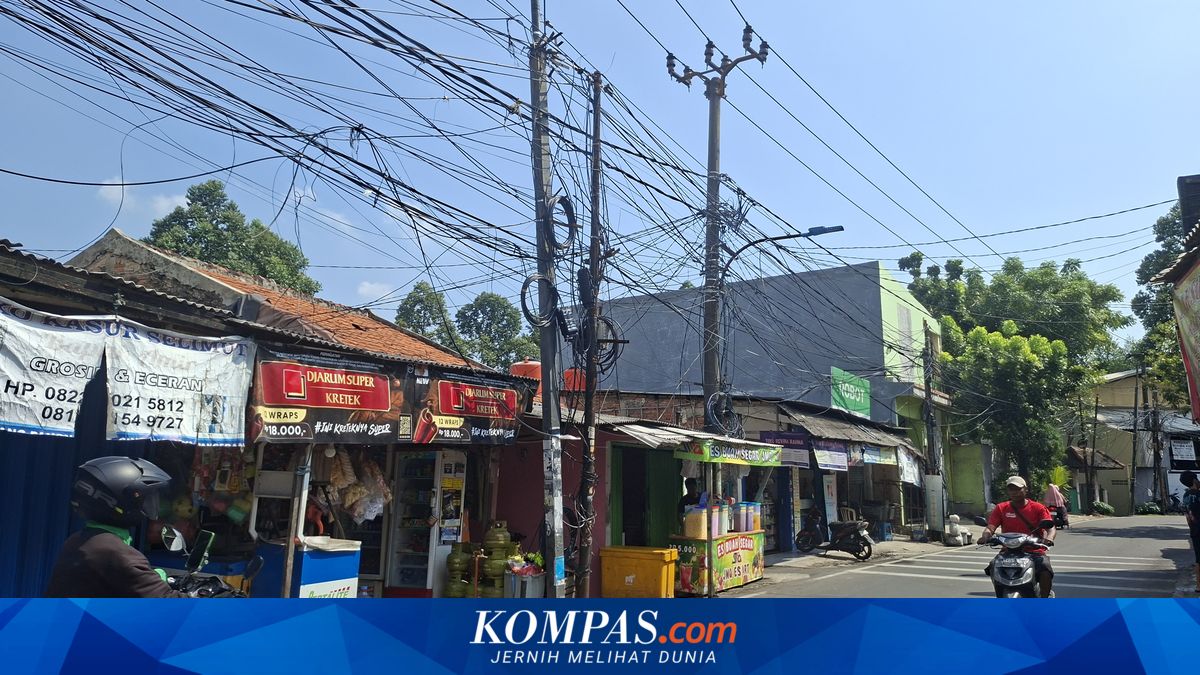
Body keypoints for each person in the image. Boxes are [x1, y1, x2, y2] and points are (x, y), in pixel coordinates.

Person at [46, 456, 187, 598]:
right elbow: (170, 602)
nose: (150, 504)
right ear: (120, 501)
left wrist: (154, 575)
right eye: (146, 498)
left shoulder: (79, 540)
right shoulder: (117, 554)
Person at [979, 475, 1057, 598]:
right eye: (1011, 489)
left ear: (1026, 490)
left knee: (1045, 570)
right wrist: (985, 536)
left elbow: (1051, 528)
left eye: (1018, 489)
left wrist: (1049, 539)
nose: (1014, 492)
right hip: (1008, 551)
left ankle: (1044, 600)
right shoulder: (1001, 508)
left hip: (1034, 551)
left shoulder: (1038, 508)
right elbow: (990, 527)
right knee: (993, 566)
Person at [1180, 471, 1200, 592]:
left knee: (1198, 559)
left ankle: (1198, 586)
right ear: (1193, 480)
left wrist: (1192, 529)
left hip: (1194, 531)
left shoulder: (1185, 496)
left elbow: (1187, 517)